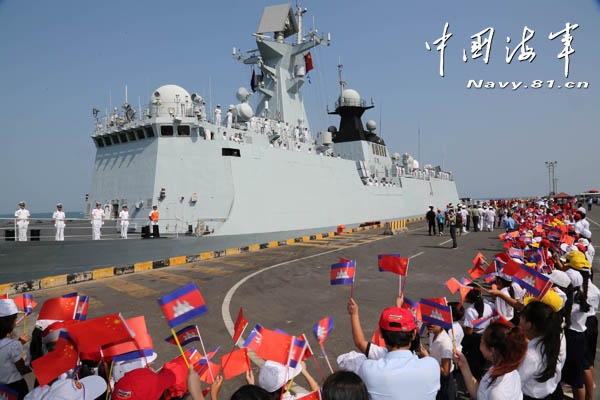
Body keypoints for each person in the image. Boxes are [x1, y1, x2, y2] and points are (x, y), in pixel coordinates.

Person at [352, 303, 440, 400]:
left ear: (380, 334)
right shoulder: (432, 366)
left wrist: (354, 314)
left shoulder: (368, 369)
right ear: (414, 334)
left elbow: (360, 343)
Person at [454, 322, 527, 400]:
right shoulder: (506, 370)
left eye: (482, 342)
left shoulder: (497, 393)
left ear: (492, 350)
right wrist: (463, 364)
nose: (480, 344)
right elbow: (479, 394)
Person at [518, 301, 566, 400]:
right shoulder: (554, 339)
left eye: (522, 317)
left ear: (529, 325)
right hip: (550, 393)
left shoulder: (531, 355)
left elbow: (517, 381)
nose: (519, 320)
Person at [0, 299, 31, 399]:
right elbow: (22, 369)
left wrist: (19, 343)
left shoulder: (13, 344)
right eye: (14, 319)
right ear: (8, 323)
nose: (16, 323)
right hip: (15, 387)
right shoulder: (13, 345)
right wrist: (31, 360)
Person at [420, 322, 456, 400]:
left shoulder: (445, 343)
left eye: (434, 321)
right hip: (435, 375)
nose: (430, 324)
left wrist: (427, 357)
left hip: (444, 381)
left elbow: (445, 372)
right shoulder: (432, 334)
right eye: (428, 320)